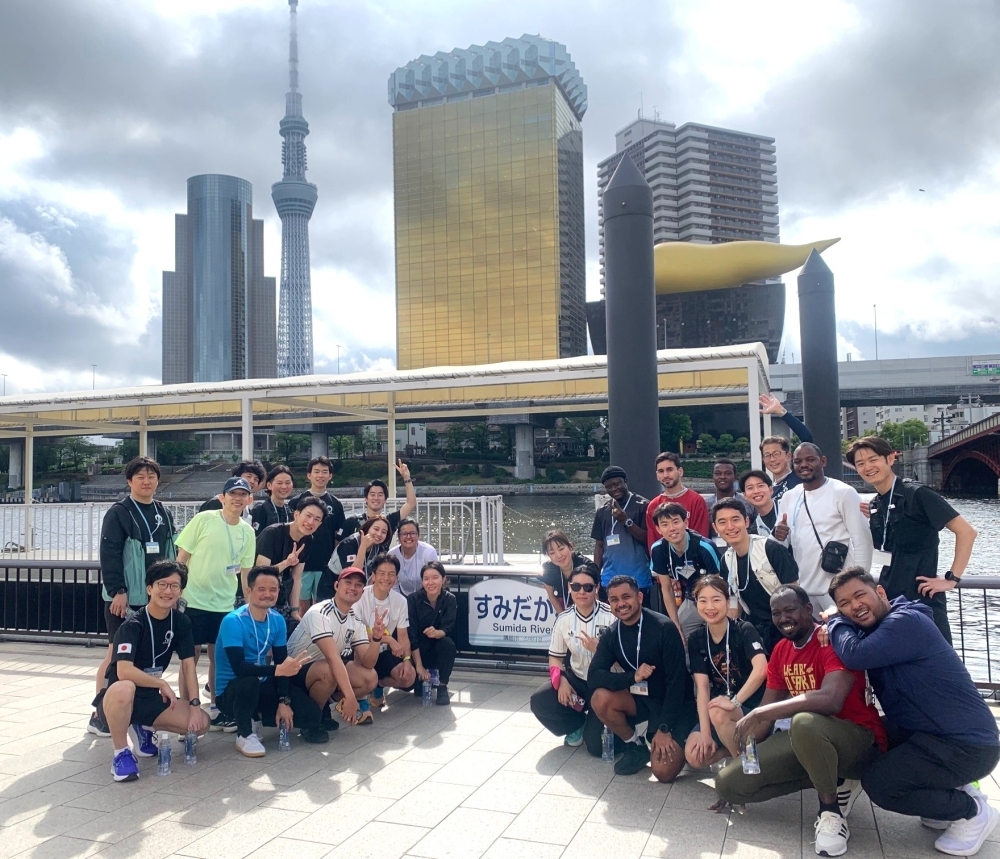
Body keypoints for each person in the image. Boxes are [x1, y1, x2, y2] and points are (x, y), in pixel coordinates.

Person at [827, 569, 999, 857]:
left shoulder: (906, 622)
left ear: (880, 592)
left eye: (859, 595)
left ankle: (971, 811)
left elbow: (856, 655)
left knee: (881, 785)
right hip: (924, 732)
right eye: (844, 604)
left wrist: (834, 621)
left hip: (966, 745)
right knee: (862, 739)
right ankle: (945, 797)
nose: (855, 606)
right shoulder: (875, 629)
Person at [716, 585, 887, 858]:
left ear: (808, 609)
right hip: (809, 741)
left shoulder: (831, 639)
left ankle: (830, 812)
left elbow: (831, 700)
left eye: (790, 610)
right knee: (729, 784)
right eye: (776, 613)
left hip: (857, 739)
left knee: (804, 721)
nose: (783, 618)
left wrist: (761, 713)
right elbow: (764, 715)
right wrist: (744, 757)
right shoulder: (781, 651)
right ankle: (832, 778)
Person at [845, 436, 976, 643]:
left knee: (934, 660)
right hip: (889, 604)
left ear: (890, 458)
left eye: (873, 459)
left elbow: (967, 532)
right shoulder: (876, 505)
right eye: (860, 463)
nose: (867, 467)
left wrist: (951, 579)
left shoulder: (917, 494)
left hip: (923, 602)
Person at [96, 560, 210, 782]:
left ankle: (142, 726)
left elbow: (188, 666)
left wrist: (195, 705)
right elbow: (124, 671)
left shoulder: (180, 622)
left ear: (181, 591)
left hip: (149, 697)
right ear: (149, 588)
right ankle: (121, 753)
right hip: (117, 697)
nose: (168, 591)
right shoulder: (132, 625)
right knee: (124, 688)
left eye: (174, 586)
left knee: (201, 724)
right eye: (162, 584)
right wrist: (161, 683)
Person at [89, 456, 177, 738]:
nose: (146, 481)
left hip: (153, 598)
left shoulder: (162, 511)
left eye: (151, 476)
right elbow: (109, 553)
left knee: (144, 657)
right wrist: (118, 591)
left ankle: (137, 713)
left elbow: (170, 552)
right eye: (140, 476)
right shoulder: (119, 512)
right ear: (129, 481)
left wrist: (173, 589)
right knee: (115, 654)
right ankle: (100, 713)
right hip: (125, 597)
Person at [589, 575, 698, 780]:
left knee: (663, 772)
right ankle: (635, 745)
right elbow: (594, 676)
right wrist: (632, 677)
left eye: (626, 597)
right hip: (641, 699)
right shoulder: (612, 634)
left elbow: (678, 683)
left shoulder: (663, 627)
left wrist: (664, 728)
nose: (621, 604)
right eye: (614, 599)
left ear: (639, 597)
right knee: (600, 698)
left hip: (675, 703)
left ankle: (684, 733)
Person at [175, 476, 258, 727]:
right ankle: (186, 707)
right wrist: (175, 590)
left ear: (249, 500)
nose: (237, 498)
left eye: (243, 495)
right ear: (222, 497)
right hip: (193, 600)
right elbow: (181, 558)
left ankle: (216, 707)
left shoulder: (248, 531)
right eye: (233, 494)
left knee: (219, 657)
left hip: (224, 604)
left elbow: (246, 573)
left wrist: (250, 606)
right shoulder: (204, 519)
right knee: (189, 656)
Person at [214, 565, 321, 757]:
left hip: (261, 684)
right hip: (232, 692)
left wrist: (283, 700)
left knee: (311, 716)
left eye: (273, 589)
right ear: (249, 591)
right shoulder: (233, 621)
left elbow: (281, 661)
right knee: (249, 682)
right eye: (261, 589)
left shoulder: (277, 620)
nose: (267, 594)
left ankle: (255, 716)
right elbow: (240, 668)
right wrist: (277, 670)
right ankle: (244, 734)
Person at [683, 576, 768, 776]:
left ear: (727, 601)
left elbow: (761, 669)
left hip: (750, 708)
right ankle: (734, 751)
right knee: (695, 755)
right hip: (718, 709)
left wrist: (735, 702)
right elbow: (702, 688)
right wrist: (705, 734)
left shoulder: (744, 630)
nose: (710, 607)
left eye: (716, 599)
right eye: (703, 601)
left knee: (718, 711)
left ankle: (741, 771)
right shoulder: (696, 639)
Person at [773, 443, 873, 613]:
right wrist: (777, 536)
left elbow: (862, 541)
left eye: (810, 459)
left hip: (839, 589)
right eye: (798, 462)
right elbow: (780, 544)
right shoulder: (789, 497)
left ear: (823, 461)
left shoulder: (844, 492)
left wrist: (860, 584)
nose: (804, 465)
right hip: (803, 590)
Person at [286, 566, 384, 730]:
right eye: (348, 582)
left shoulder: (355, 619)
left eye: (358, 585)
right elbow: (333, 658)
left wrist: (376, 638)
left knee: (369, 677)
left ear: (362, 592)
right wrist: (350, 697)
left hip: (321, 670)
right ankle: (310, 722)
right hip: (293, 673)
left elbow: (368, 663)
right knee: (329, 669)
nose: (353, 587)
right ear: (336, 586)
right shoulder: (319, 612)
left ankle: (322, 708)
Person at [530, 564, 614, 753]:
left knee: (597, 748)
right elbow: (555, 657)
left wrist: (600, 649)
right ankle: (576, 725)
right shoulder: (564, 619)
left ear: (597, 588)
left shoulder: (611, 617)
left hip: (606, 684)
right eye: (576, 587)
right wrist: (561, 681)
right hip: (578, 680)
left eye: (588, 587)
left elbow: (624, 660)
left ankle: (600, 722)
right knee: (540, 700)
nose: (581, 592)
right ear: (569, 588)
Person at [714, 499, 798, 653]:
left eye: (735, 519)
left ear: (746, 521)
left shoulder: (771, 549)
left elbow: (796, 593)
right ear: (715, 528)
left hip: (786, 626)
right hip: (756, 630)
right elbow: (733, 601)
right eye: (722, 522)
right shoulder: (726, 560)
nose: (730, 527)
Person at [648, 502, 720, 642]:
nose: (671, 528)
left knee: (720, 634)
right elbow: (666, 588)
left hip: (717, 597)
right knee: (677, 636)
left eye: (676, 522)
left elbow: (720, 586)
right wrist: (675, 625)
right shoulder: (658, 549)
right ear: (658, 529)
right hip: (692, 599)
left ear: (685, 523)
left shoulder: (705, 547)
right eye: (665, 524)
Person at [353, 553, 416, 712]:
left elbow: (403, 636)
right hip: (359, 651)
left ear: (396, 578)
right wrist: (388, 640)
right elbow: (355, 633)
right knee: (361, 651)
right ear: (373, 576)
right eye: (381, 573)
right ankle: (360, 698)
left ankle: (378, 684)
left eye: (391, 574)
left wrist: (407, 660)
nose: (386, 578)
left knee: (408, 677)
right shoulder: (360, 596)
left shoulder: (400, 601)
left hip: (381, 653)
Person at [254, 496, 326, 625]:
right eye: (308, 516)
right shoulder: (272, 533)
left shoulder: (307, 539)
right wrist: (286, 563)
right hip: (256, 596)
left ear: (320, 524)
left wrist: (294, 611)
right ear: (296, 514)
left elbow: (296, 577)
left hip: (280, 596)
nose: (311, 522)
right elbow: (260, 573)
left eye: (317, 519)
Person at [291, 456, 348, 613]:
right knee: (301, 605)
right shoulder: (297, 501)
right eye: (316, 471)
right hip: (301, 563)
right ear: (309, 475)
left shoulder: (335, 504)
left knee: (321, 606)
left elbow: (338, 536)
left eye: (324, 472)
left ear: (330, 475)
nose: (320, 475)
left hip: (325, 564)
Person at [590, 466, 650, 600]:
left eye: (617, 484)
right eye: (609, 487)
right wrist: (595, 576)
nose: (613, 489)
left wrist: (626, 521)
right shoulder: (602, 511)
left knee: (639, 613)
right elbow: (599, 546)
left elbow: (647, 539)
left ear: (625, 481)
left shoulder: (643, 505)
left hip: (637, 580)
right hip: (608, 580)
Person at [408, 561, 459, 706]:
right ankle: (420, 676)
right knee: (417, 690)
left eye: (435, 577)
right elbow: (411, 634)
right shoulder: (413, 600)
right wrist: (418, 665)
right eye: (426, 578)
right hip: (418, 649)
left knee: (448, 644)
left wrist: (438, 633)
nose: (430, 582)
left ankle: (442, 686)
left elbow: (449, 627)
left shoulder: (450, 599)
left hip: (438, 646)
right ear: (422, 581)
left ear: (443, 579)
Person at [645, 452, 710, 548]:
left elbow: (701, 537)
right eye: (661, 471)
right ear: (657, 475)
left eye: (669, 469)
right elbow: (653, 542)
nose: (665, 475)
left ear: (680, 472)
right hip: (665, 556)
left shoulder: (696, 500)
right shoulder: (653, 505)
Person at [759, 393, 814, 503]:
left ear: (788, 456)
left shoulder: (801, 477)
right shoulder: (768, 491)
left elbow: (807, 439)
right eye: (767, 455)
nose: (772, 459)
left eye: (776, 454)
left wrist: (781, 412)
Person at [323, 515, 393, 597]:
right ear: (368, 528)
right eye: (376, 529)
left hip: (355, 591)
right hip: (331, 588)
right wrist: (363, 546)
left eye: (384, 532)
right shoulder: (350, 543)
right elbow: (353, 574)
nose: (379, 534)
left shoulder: (379, 548)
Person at [343, 461, 417, 536]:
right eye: (372, 494)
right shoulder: (352, 521)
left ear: (385, 499)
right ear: (366, 498)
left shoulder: (389, 521)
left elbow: (411, 503)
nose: (376, 498)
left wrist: (406, 478)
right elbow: (339, 541)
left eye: (380, 495)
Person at [539, 530, 597, 614]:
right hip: (565, 611)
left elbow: (595, 597)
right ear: (548, 555)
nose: (559, 555)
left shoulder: (587, 567)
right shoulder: (549, 570)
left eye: (561, 549)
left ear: (570, 546)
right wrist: (563, 618)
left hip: (590, 609)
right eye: (552, 553)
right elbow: (552, 597)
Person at [705, 459, 755, 546]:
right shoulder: (705, 505)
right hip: (714, 549)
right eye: (718, 473)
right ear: (713, 476)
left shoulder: (749, 503)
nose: (722, 477)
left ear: (735, 476)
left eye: (728, 473)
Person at [388, 518, 439, 598]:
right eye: (404, 534)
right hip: (401, 595)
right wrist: (399, 600)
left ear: (418, 535)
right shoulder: (392, 554)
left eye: (413, 533)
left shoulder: (428, 552)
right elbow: (392, 582)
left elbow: (433, 579)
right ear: (398, 537)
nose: (408, 537)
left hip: (426, 594)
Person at [199, 460, 266, 515]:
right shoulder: (215, 504)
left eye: (256, 479)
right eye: (249, 476)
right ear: (236, 477)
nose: (252, 481)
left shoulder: (247, 512)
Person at [250, 465, 296, 534]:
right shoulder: (261, 509)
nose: (284, 487)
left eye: (287, 483)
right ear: (269, 485)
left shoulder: (290, 511)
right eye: (279, 483)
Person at [738, 469, 778, 538]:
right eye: (750, 488)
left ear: (771, 490)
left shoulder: (786, 508)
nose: (756, 491)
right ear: (745, 496)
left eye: (760, 486)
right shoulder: (755, 529)